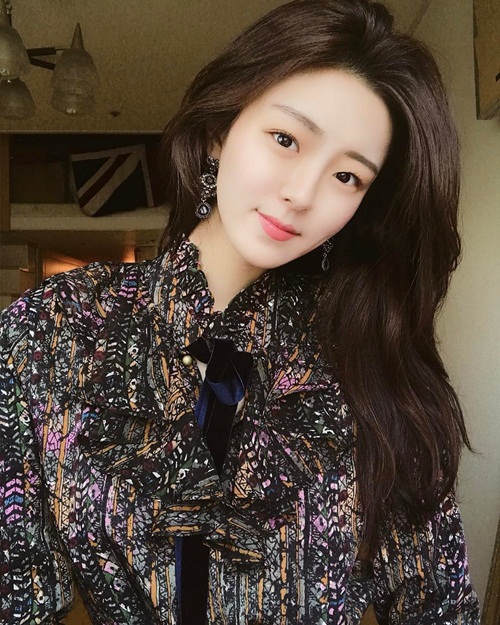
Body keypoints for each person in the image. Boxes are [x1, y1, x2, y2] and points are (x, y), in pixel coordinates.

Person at [0, 0, 481, 623]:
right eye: (286, 140)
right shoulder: (54, 327)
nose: (301, 193)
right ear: (219, 130)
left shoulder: (374, 368)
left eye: (347, 177)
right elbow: (17, 594)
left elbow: (440, 607)